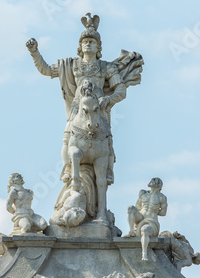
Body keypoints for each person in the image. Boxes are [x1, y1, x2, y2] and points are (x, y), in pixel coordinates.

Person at [26, 13, 143, 185]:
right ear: (80, 46)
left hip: (100, 109)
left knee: (107, 139)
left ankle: (108, 171)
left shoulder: (106, 67)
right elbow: (46, 70)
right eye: (85, 42)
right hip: (77, 108)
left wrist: (108, 99)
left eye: (92, 42)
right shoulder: (71, 64)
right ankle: (67, 168)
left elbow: (121, 90)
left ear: (98, 47)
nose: (88, 44)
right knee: (67, 135)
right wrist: (34, 52)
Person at [125, 177, 168, 260]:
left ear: (160, 187)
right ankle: (131, 230)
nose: (155, 182)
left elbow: (163, 213)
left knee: (145, 229)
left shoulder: (162, 198)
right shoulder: (143, 194)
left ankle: (144, 254)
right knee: (130, 208)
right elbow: (137, 206)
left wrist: (154, 211)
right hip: (140, 218)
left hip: (151, 222)